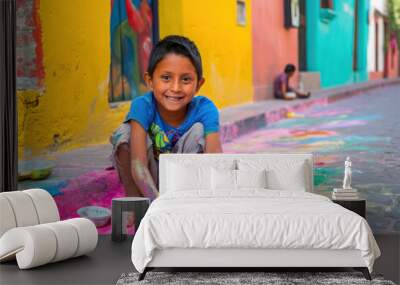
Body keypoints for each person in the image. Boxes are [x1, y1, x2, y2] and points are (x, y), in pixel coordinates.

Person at [110, 35, 222, 202]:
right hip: (147, 178)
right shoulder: (142, 106)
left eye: (186, 79)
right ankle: (134, 202)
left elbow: (214, 157)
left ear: (199, 84)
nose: (175, 88)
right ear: (150, 81)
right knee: (124, 134)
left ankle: (187, 201)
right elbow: (138, 165)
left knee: (199, 131)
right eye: (166, 78)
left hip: (184, 180)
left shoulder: (205, 109)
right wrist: (158, 204)